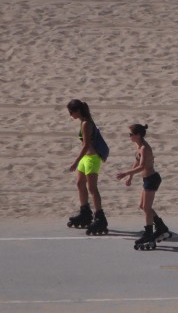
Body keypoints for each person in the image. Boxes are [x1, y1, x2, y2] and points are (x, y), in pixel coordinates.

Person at [116, 123, 171, 249]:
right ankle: (161, 227)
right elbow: (137, 162)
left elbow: (142, 166)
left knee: (146, 208)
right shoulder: (138, 146)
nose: (129, 136)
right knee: (143, 206)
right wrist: (130, 176)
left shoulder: (144, 148)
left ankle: (149, 233)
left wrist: (125, 173)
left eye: (131, 134)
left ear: (138, 135)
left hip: (152, 179)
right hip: (147, 179)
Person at [65, 99, 108, 234]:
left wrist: (76, 161)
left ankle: (100, 217)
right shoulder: (83, 122)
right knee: (79, 183)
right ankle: (85, 212)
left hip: (92, 159)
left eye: (71, 112)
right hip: (86, 158)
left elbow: (86, 145)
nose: (70, 114)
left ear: (78, 111)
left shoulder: (86, 124)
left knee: (92, 188)